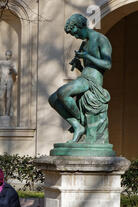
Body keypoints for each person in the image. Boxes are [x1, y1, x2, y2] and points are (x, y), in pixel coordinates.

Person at [48, 14, 112, 144]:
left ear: (82, 26)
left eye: (76, 33)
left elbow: (107, 64)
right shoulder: (84, 44)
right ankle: (78, 126)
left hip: (93, 81)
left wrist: (88, 56)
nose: (76, 37)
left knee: (62, 93)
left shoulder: (101, 39)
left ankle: (82, 122)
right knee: (53, 99)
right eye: (73, 35)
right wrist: (79, 65)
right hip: (84, 77)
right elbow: (88, 67)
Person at [0, 50, 17, 117]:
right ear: (5, 55)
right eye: (7, 55)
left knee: (8, 97)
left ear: (11, 56)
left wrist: (12, 69)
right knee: (0, 97)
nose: (8, 56)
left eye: (9, 55)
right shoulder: (1, 63)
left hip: (9, 80)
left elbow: (16, 73)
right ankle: (1, 113)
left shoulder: (12, 63)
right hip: (2, 81)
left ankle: (7, 113)